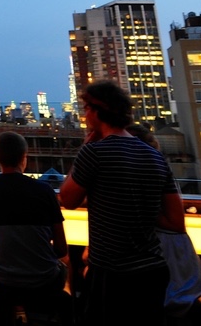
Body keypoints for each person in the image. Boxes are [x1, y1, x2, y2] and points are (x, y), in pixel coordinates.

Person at [58, 81, 181, 326]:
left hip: (111, 272)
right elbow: (176, 222)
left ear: (96, 111)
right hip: (153, 271)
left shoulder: (94, 152)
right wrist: (138, 205)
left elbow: (67, 199)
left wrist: (84, 149)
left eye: (86, 108)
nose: (84, 115)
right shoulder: (154, 156)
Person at [0, 131, 67, 308]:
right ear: (23, 157)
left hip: (3, 279)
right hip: (44, 278)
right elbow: (61, 249)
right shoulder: (44, 191)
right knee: (68, 267)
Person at [126, 124, 201, 318]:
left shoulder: (148, 176)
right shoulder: (160, 171)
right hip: (177, 268)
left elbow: (176, 223)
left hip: (164, 273)